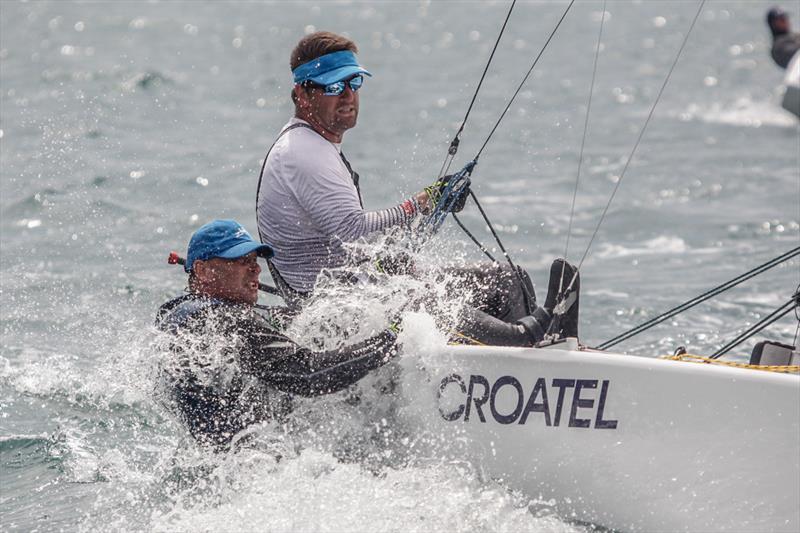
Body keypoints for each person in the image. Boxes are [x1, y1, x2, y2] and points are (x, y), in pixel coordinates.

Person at [256, 31, 579, 347]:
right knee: (426, 299)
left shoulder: (315, 145)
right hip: (330, 306)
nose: (348, 96)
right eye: (334, 86)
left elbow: (341, 240)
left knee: (508, 280)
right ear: (302, 94)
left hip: (357, 285)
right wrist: (420, 203)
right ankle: (525, 339)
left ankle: (530, 363)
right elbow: (351, 228)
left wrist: (393, 254)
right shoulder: (302, 153)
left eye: (354, 83)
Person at [156, 219, 399, 447]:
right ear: (203, 270)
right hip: (252, 466)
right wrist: (392, 338)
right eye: (241, 261)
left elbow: (268, 328)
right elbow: (310, 374)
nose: (255, 270)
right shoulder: (228, 321)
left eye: (254, 261)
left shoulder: (176, 315)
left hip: (210, 460)